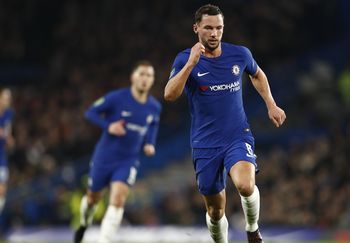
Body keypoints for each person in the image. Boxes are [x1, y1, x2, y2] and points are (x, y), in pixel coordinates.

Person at [164, 4, 286, 243]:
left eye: (219, 28)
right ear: (196, 28)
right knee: (215, 210)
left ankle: (252, 229)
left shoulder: (239, 54)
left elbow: (257, 74)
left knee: (245, 185)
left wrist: (271, 103)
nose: (214, 33)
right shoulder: (184, 59)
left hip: (237, 135)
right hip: (205, 143)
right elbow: (169, 94)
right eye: (208, 28)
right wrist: (190, 64)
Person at [74, 61, 162, 243]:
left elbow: (153, 125)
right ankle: (84, 223)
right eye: (141, 74)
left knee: (118, 198)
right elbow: (90, 112)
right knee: (92, 198)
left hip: (128, 160)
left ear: (152, 80)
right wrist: (109, 125)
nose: (145, 79)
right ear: (133, 77)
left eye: (149, 75)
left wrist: (150, 143)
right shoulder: (117, 98)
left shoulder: (154, 107)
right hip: (104, 157)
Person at [0, 88, 14, 215]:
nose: (7, 101)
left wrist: (9, 139)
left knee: (2, 188)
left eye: (9, 98)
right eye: (5, 98)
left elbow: (7, 133)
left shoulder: (9, 113)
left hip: (1, 154)